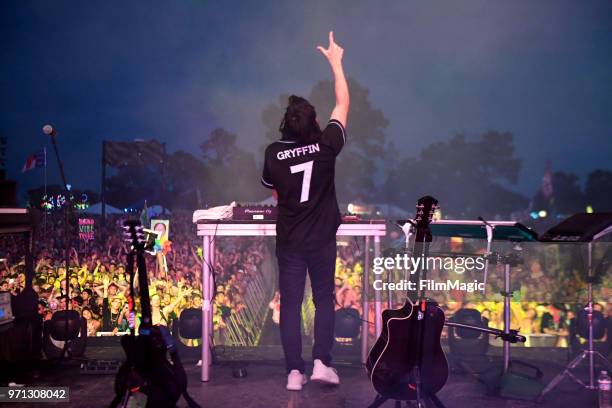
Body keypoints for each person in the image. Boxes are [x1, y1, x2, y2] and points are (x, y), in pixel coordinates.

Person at [261, 31, 349, 391]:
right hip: (322, 239)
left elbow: (276, 190)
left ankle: (293, 373)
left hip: (291, 241)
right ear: (313, 124)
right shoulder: (327, 145)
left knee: (291, 304)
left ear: (285, 124)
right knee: (323, 300)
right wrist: (336, 64)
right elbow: (342, 105)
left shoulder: (272, 152)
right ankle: (321, 365)